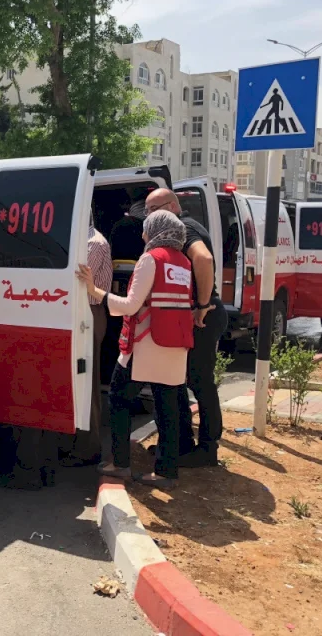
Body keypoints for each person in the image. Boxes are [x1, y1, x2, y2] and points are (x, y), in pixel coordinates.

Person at [76, 210, 194, 488]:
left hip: (146, 344)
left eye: (146, 228)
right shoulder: (183, 262)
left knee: (118, 398)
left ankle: (120, 463)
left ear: (156, 231)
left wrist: (94, 290)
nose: (142, 234)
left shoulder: (150, 259)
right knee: (167, 408)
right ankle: (166, 471)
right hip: (176, 344)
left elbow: (130, 305)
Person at [143, 188, 229, 468]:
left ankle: (207, 449)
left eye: (153, 209)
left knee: (200, 383)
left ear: (171, 206)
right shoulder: (184, 227)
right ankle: (180, 444)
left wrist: (202, 304)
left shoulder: (185, 227)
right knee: (179, 380)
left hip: (203, 315)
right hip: (193, 315)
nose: (148, 216)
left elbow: (203, 259)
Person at [63, 218, 113, 466]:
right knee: (76, 381)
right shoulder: (83, 241)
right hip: (80, 312)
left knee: (87, 384)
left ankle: (88, 448)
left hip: (89, 312)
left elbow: (76, 280)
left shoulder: (93, 243)